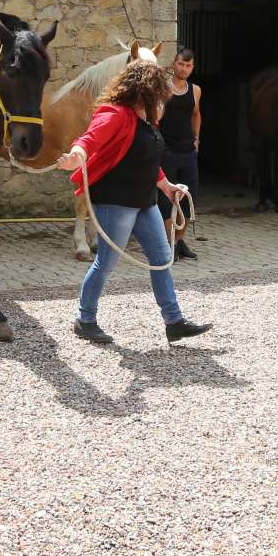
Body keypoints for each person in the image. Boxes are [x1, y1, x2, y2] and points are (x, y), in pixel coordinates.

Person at [57, 59, 212, 344]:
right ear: (145, 88)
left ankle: (174, 321)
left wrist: (166, 186)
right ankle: (85, 318)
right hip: (114, 200)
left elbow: (149, 159)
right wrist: (74, 157)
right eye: (159, 89)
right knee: (106, 262)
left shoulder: (147, 118)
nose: (164, 94)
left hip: (144, 201)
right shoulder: (114, 113)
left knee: (162, 258)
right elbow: (88, 140)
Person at [156, 48, 201, 261]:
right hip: (167, 152)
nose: (184, 69)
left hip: (188, 152)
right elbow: (154, 117)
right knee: (167, 200)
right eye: (181, 64)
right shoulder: (162, 89)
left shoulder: (196, 91)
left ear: (192, 68)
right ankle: (169, 244)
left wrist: (196, 139)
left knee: (188, 199)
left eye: (188, 65)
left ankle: (179, 242)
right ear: (174, 64)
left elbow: (196, 114)